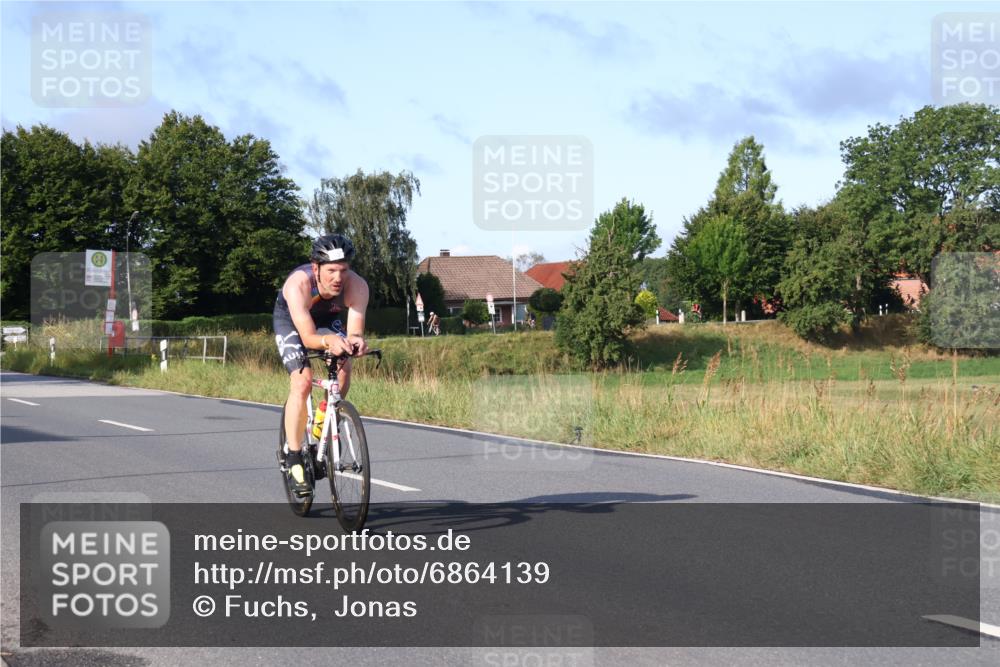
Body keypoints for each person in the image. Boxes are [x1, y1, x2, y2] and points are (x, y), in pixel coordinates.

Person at [273, 234, 369, 496]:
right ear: (316, 268)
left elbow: (355, 330)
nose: (338, 278)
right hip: (293, 322)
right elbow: (308, 338)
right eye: (331, 271)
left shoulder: (357, 286)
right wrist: (329, 342)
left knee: (344, 363)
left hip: (326, 319)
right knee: (302, 381)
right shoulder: (298, 284)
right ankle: (293, 458)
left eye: (343, 270)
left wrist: (356, 342)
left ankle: (325, 416)